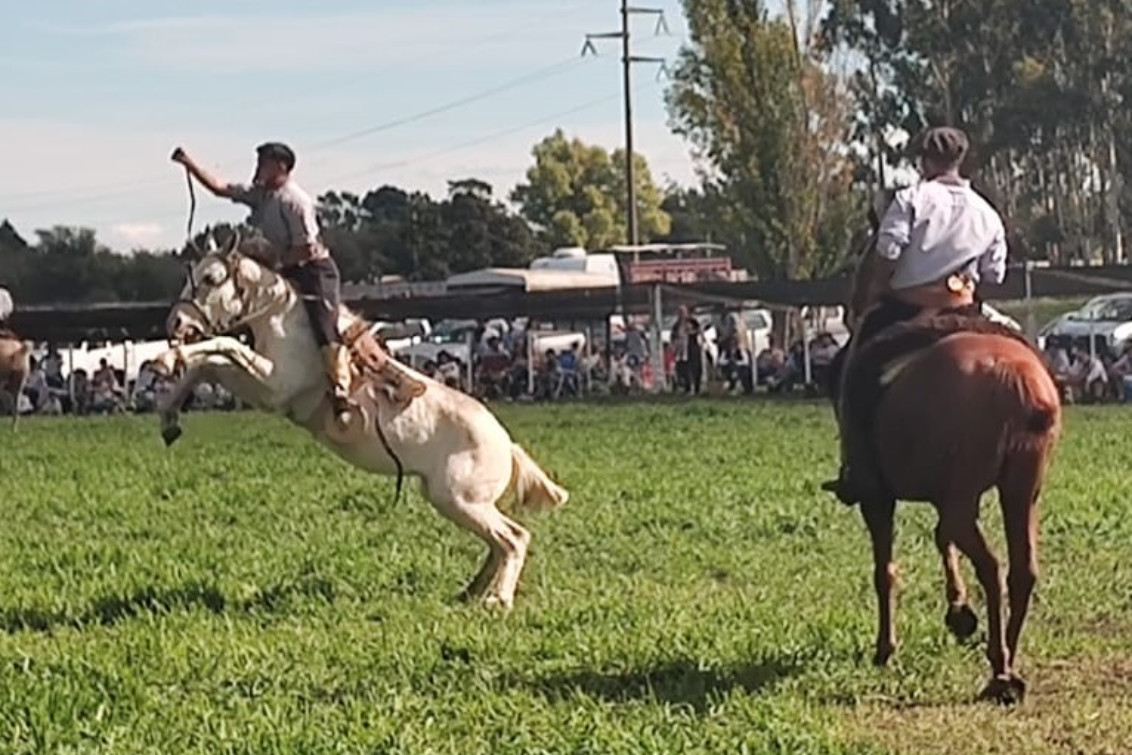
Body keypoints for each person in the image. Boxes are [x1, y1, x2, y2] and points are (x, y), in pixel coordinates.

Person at [824, 125, 1009, 505]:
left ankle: (857, 467)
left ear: (924, 161)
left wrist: (879, 287)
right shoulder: (987, 212)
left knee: (849, 371)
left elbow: (888, 251)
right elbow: (995, 274)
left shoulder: (912, 198)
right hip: (968, 311)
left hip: (905, 310)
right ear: (961, 160)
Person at [170, 142, 355, 426]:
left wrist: (275, 263)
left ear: (281, 166)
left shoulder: (295, 201)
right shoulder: (261, 195)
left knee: (323, 323)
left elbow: (306, 249)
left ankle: (341, 389)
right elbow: (220, 188)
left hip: (313, 271)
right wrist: (189, 164)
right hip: (284, 267)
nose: (258, 168)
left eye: (264, 163)